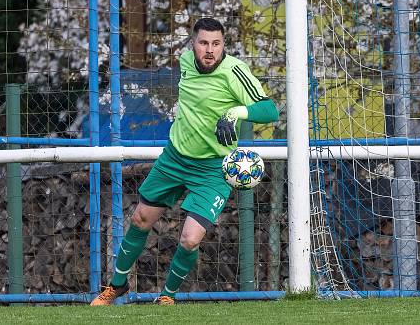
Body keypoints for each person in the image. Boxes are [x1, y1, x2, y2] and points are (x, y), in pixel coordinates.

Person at [90, 17, 279, 306]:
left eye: (216, 44)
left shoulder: (234, 71)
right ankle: (116, 286)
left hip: (214, 168)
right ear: (193, 43)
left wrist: (235, 114)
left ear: (223, 44)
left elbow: (269, 110)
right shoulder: (186, 62)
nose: (209, 50)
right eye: (204, 42)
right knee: (140, 219)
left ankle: (167, 295)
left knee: (190, 239)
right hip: (175, 159)